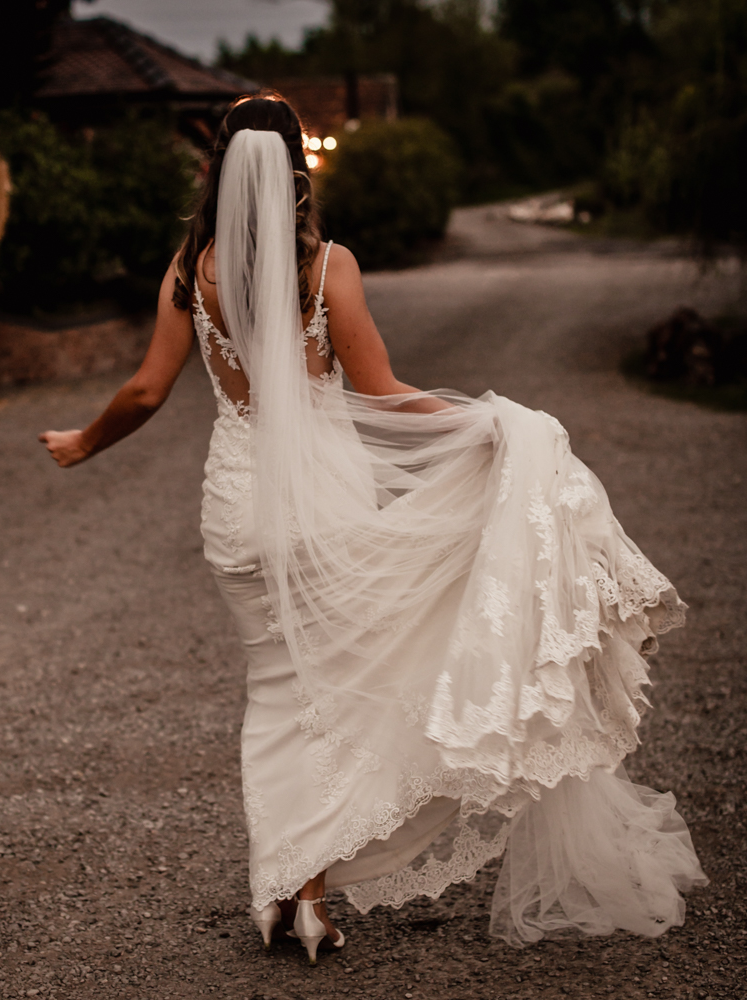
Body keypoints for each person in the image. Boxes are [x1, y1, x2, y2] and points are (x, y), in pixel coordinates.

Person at [40, 96, 707, 963]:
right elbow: (382, 391)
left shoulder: (187, 271)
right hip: (325, 509)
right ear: (294, 172)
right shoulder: (328, 269)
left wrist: (83, 442)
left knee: (273, 695)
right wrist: (489, 425)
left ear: (214, 173)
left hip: (238, 510)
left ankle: (290, 893)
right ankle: (305, 893)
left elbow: (142, 391)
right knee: (340, 697)